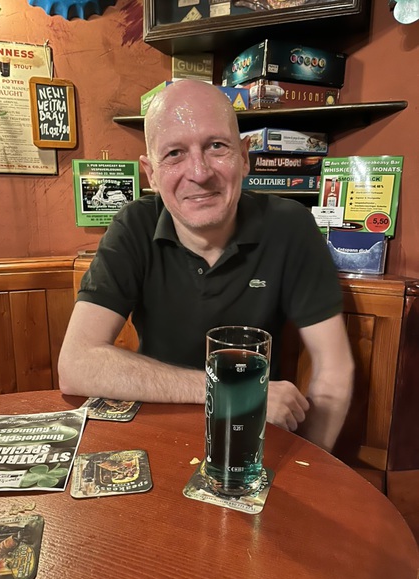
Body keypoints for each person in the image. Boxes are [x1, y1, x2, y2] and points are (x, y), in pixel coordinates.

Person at [58, 79, 354, 452]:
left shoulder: (289, 225)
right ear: (151, 173)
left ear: (244, 157)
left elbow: (335, 370)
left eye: (216, 146)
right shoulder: (134, 225)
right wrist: (230, 389)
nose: (199, 172)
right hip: (155, 436)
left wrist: (308, 472)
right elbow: (76, 364)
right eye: (174, 153)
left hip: (252, 439)